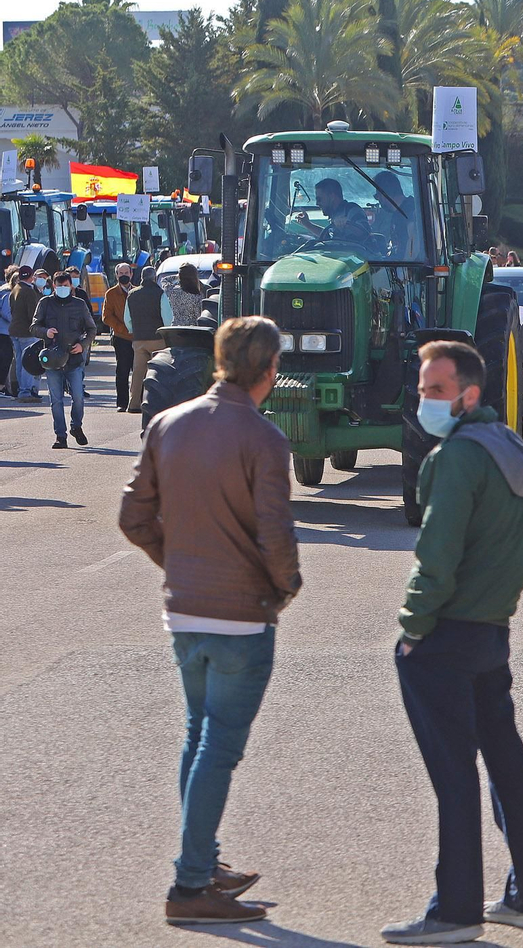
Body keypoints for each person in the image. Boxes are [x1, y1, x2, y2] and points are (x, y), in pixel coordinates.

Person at [119, 316, 301, 927]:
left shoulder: (168, 424)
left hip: (185, 607)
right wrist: (283, 587)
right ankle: (192, 882)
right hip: (239, 616)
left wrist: (176, 561)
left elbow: (133, 516)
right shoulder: (264, 438)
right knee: (217, 747)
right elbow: (275, 534)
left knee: (199, 737)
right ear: (270, 369)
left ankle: (205, 859)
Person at [382, 340, 523, 945]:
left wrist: (412, 627)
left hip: (447, 636)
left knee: (454, 777)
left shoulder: (456, 458)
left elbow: (436, 559)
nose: (424, 400)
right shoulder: (508, 447)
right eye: (423, 388)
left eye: (435, 390)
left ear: (468, 395)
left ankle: (454, 911)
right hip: (490, 630)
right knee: (504, 760)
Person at [33, 270, 98, 448]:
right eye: (59, 285)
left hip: (74, 359)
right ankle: (60, 436)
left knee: (78, 397)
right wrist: (45, 332)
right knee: (56, 400)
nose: (62, 288)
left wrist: (83, 345)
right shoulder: (45, 303)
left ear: (71, 286)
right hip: (53, 359)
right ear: (53, 285)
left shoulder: (79, 304)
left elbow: (92, 329)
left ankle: (76, 426)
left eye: (66, 285)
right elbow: (34, 326)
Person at [126, 266, 174, 415]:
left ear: (141, 277)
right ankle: (155, 402)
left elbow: (127, 319)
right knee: (157, 372)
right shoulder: (160, 293)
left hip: (139, 339)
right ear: (154, 278)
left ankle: (134, 404)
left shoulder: (131, 294)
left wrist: (134, 330)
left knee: (138, 372)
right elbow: (167, 317)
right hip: (157, 339)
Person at [102, 263, 136, 411]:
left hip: (138, 337)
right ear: (116, 275)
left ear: (131, 274)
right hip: (121, 337)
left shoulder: (137, 292)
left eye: (126, 272)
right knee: (122, 371)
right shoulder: (110, 293)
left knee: (138, 370)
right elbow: (106, 317)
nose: (123, 275)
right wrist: (122, 328)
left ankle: (138, 401)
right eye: (120, 273)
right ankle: (122, 403)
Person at [298, 178, 371, 244]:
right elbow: (327, 235)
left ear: (332, 196)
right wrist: (307, 224)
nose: (317, 203)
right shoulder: (334, 215)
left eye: (319, 199)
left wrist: (347, 224)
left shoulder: (352, 210)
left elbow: (365, 233)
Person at [8, 266, 42, 402]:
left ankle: (20, 388)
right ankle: (26, 391)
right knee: (29, 362)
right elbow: (32, 314)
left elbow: (11, 310)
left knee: (20, 362)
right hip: (27, 332)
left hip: (14, 330)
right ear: (31, 276)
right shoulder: (29, 291)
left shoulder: (14, 289)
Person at [0, 267, 13, 396]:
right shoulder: (7, 293)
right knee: (6, 359)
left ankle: (6, 388)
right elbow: (6, 312)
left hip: (5, 330)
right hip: (4, 331)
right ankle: (2, 387)